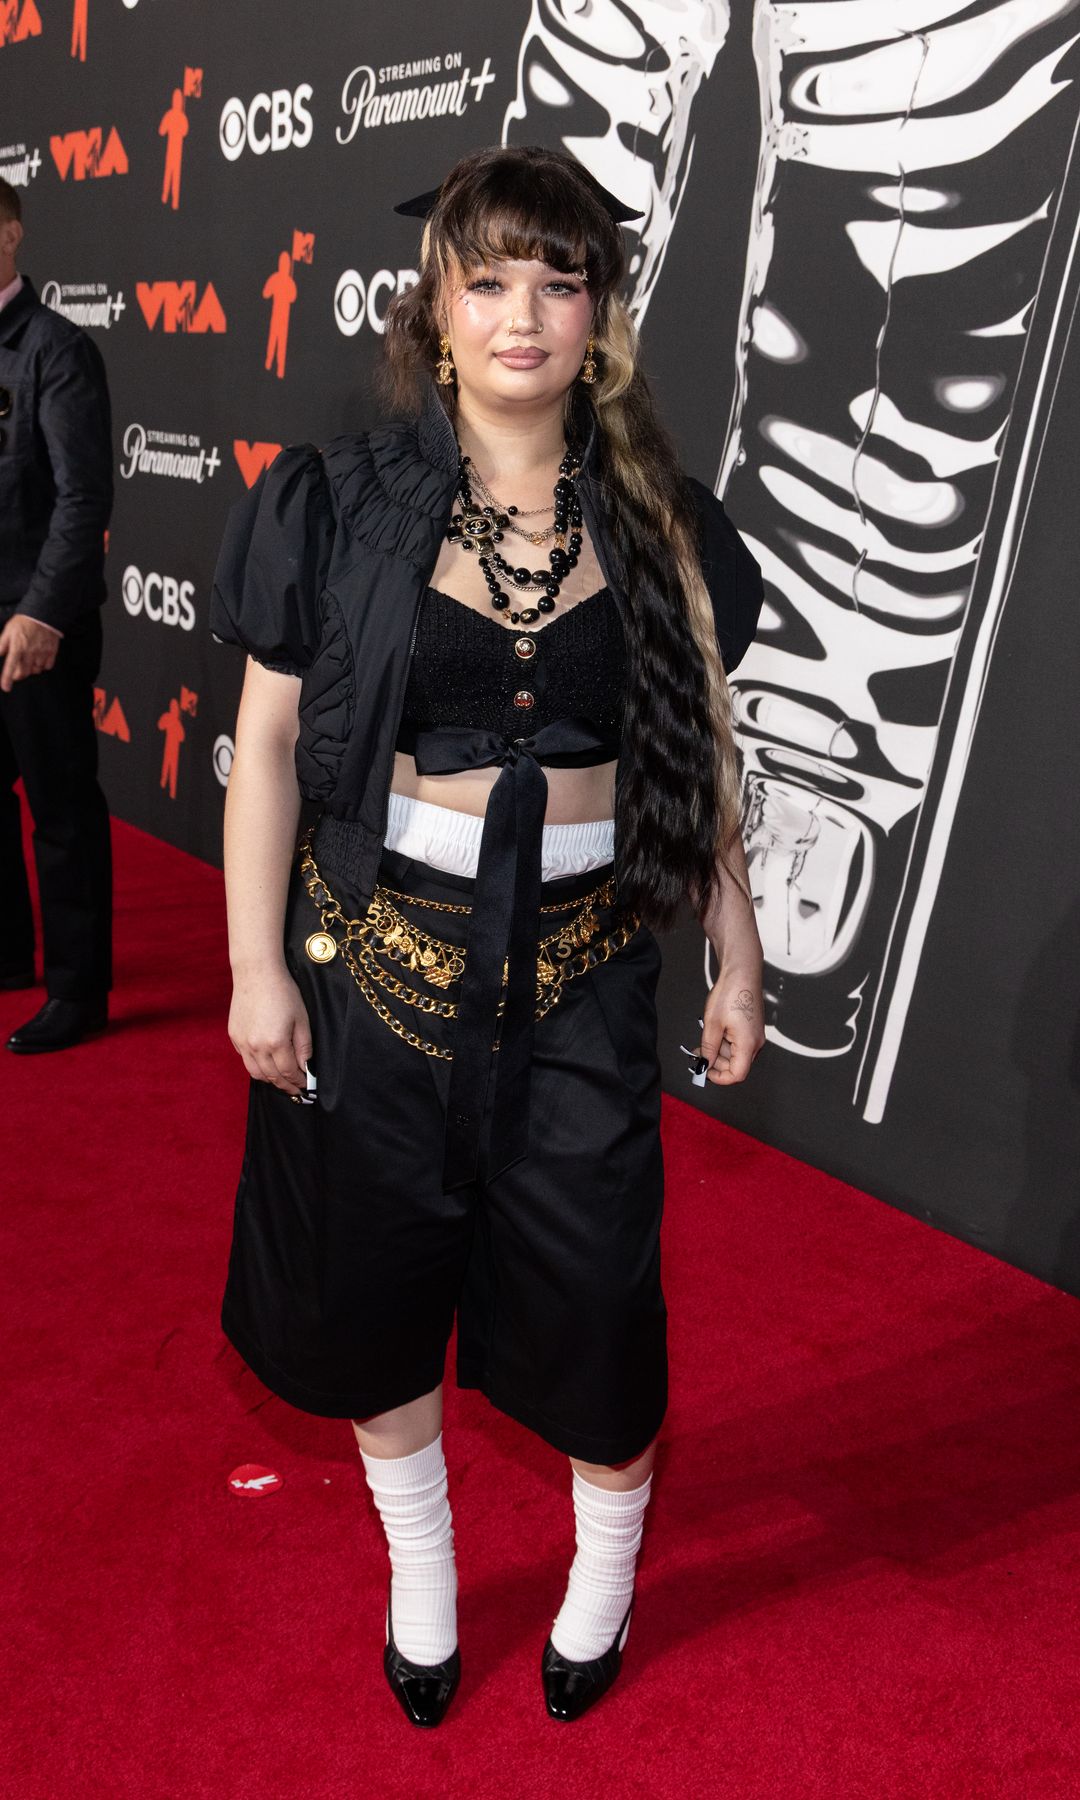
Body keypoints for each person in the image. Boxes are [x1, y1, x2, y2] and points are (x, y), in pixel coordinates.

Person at [210, 144, 766, 1728]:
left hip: (586, 987)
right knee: (375, 1296)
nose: (525, 313)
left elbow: (701, 754)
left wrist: (738, 946)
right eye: (491, 278)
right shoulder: (332, 504)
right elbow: (263, 749)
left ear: (601, 314)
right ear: (438, 307)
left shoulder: (662, 522)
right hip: (374, 976)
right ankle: (426, 1567)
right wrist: (256, 966)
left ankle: (602, 1576)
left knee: (600, 1311)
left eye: (560, 279)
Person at [0, 176, 114, 1054]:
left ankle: (79, 990)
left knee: (62, 807)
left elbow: (82, 501)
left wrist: (41, 614)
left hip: (38, 624)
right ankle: (10, 951)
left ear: (11, 235)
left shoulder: (57, 350)